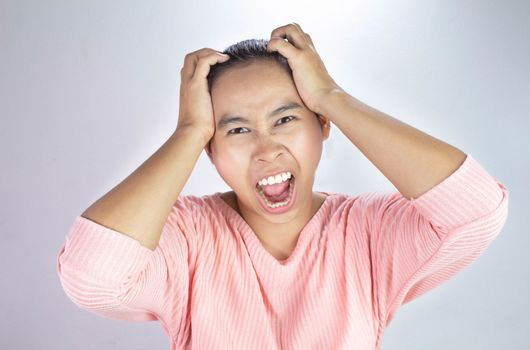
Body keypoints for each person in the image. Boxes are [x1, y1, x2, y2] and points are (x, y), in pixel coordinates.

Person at [56, 23, 509, 349]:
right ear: (210, 150)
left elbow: (476, 211)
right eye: (236, 130)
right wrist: (189, 131)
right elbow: (93, 279)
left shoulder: (368, 233)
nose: (265, 149)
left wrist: (332, 95)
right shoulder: (186, 237)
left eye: (286, 118)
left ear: (323, 125)